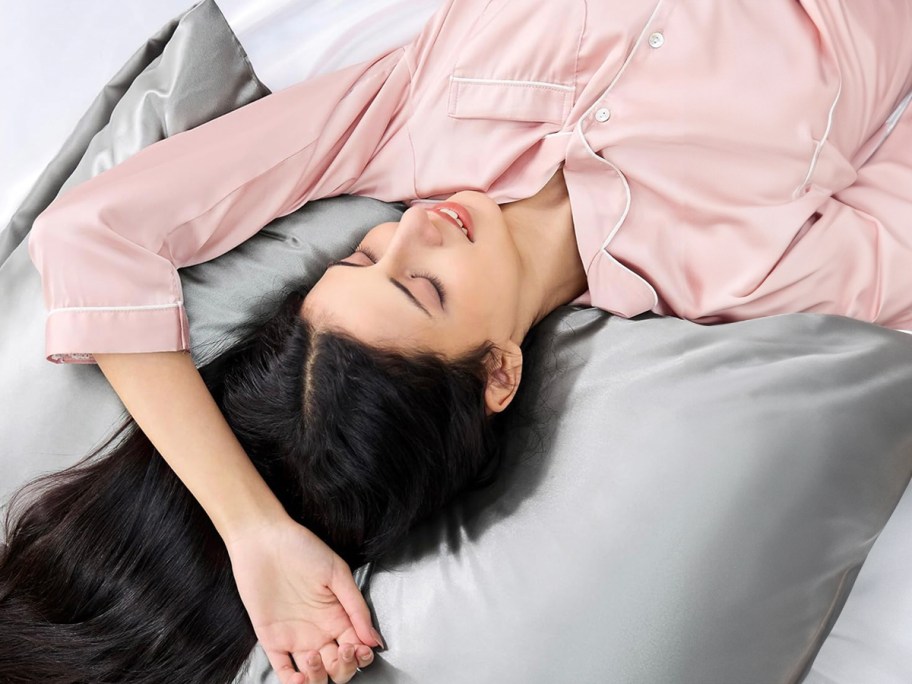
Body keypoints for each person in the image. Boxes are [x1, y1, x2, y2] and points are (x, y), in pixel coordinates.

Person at [4, 0, 912, 682]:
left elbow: (94, 238)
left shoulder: (414, 120)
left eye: (362, 252)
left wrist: (254, 530)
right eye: (423, 287)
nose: (416, 229)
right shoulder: (753, 273)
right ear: (501, 373)